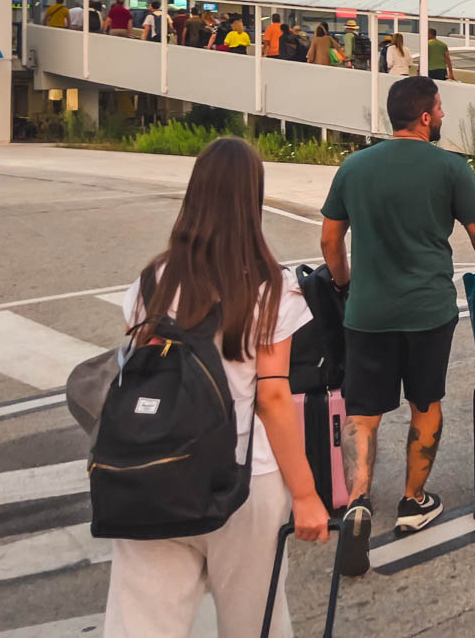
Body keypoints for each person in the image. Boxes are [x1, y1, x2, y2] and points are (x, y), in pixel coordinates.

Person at [102, 137, 328, 637]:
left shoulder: (151, 282)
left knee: (141, 625)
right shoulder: (270, 287)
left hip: (155, 472)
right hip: (244, 481)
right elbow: (271, 396)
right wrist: (307, 494)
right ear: (253, 200)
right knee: (254, 626)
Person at [320, 76, 475, 577]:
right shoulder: (450, 168)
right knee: (425, 402)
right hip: (427, 312)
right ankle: (413, 501)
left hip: (368, 313)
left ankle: (357, 502)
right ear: (424, 116)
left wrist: (343, 284)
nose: (443, 115)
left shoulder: (353, 167)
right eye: (440, 109)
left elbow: (330, 239)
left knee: (362, 409)